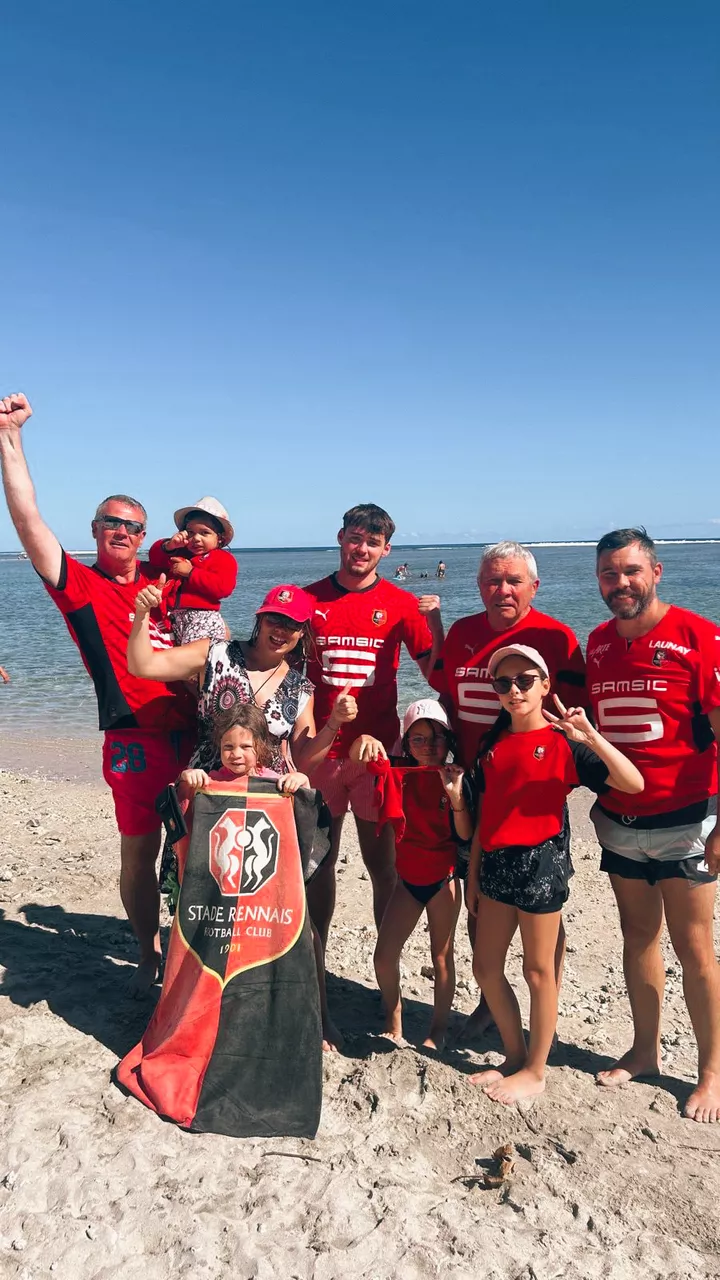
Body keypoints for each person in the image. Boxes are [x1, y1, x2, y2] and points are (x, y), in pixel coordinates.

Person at [0, 392, 197, 994]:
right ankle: (146, 951)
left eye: (133, 526)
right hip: (133, 742)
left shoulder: (168, 587)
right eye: (112, 522)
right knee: (141, 852)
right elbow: (28, 520)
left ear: (144, 536)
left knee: (197, 858)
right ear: (94, 530)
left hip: (196, 738)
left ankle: (192, 954)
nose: (122, 532)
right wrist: (10, 438)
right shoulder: (79, 586)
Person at [127, 578, 357, 1050]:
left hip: (269, 809)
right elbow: (143, 664)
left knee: (281, 915)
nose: (282, 631)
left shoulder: (299, 685)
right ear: (260, 617)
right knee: (202, 908)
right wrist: (142, 616)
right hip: (207, 798)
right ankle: (191, 1009)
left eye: (293, 625)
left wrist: (334, 724)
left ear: (302, 632)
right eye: (275, 619)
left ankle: (318, 1015)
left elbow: (305, 756)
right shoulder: (213, 654)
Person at [467, 644, 643, 1105]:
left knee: (538, 970)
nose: (514, 691)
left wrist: (591, 737)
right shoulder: (493, 742)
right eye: (503, 683)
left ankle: (536, 1070)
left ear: (545, 685)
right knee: (485, 967)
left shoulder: (565, 743)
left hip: (541, 863)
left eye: (525, 680)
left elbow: (633, 783)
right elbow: (485, 815)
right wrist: (472, 876)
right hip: (497, 864)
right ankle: (513, 1054)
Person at [587, 527, 720, 1124]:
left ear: (656, 571)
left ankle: (711, 1071)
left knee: (695, 947)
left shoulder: (699, 636)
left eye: (631, 571)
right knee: (637, 939)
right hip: (620, 821)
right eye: (610, 574)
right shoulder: (596, 644)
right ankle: (644, 1049)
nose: (621, 584)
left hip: (688, 819)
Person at [429, 540, 587, 1037]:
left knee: (543, 903)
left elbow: (573, 719)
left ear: (533, 586)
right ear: (479, 586)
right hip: (474, 785)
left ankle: (548, 1006)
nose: (503, 590)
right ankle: (487, 1001)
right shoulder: (462, 633)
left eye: (513, 580)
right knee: (479, 893)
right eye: (493, 581)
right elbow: (446, 695)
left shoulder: (556, 638)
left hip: (533, 786)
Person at [303, 503, 444, 950]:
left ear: (386, 550)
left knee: (382, 865)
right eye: (355, 538)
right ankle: (315, 956)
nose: (361, 548)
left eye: (372, 542)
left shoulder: (401, 604)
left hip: (376, 754)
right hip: (319, 753)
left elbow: (437, 674)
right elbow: (278, 670)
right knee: (319, 863)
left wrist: (437, 623)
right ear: (341, 537)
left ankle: (387, 963)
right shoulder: (309, 600)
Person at [350, 699, 473, 1050]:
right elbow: (360, 752)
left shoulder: (456, 776)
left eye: (436, 738)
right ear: (405, 743)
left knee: (441, 957)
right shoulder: (396, 771)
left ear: (448, 741)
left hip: (444, 881)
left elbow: (464, 835)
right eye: (417, 739)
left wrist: (456, 797)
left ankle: (438, 1029)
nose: (428, 746)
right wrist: (367, 740)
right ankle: (394, 1016)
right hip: (408, 880)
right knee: (384, 956)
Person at [148, 496, 237, 645]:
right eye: (190, 532)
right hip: (175, 618)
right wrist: (169, 545)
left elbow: (224, 587)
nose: (196, 538)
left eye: (204, 533)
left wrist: (191, 572)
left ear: (220, 538)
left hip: (202, 618)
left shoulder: (223, 558)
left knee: (193, 661)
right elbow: (155, 558)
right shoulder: (179, 552)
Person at [177, 704, 310, 802]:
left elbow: (305, 812)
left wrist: (302, 781)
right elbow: (181, 803)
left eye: (245, 746)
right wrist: (186, 778)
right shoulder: (209, 781)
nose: (236, 754)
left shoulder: (276, 783)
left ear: (261, 747)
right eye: (228, 747)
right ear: (220, 745)